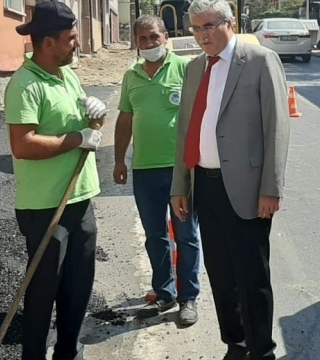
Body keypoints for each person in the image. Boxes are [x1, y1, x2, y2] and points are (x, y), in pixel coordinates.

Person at [170, 0, 290, 359]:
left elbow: (277, 127)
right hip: (204, 185)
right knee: (220, 274)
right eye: (196, 28)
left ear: (230, 23)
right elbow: (186, 132)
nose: (202, 35)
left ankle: (261, 349)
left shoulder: (259, 61)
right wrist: (181, 185)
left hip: (247, 189)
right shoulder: (194, 69)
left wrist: (271, 187)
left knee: (251, 275)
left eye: (209, 26)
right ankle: (235, 342)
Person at [4, 2, 108, 359]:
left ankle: (68, 351)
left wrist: (96, 112)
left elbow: (85, 122)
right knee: (43, 291)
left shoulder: (68, 75)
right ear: (48, 42)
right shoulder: (25, 84)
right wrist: (77, 139)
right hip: (44, 205)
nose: (76, 44)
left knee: (77, 288)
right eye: (71, 38)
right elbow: (22, 144)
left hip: (80, 198)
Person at [113, 15, 201, 326]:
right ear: (135, 42)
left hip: (181, 170)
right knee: (155, 235)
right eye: (143, 39)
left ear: (165, 37)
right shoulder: (131, 75)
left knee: (187, 234)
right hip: (145, 170)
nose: (149, 44)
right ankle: (164, 293)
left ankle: (188, 297)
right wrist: (119, 159)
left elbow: (200, 115)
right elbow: (125, 120)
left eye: (154, 37)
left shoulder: (185, 69)